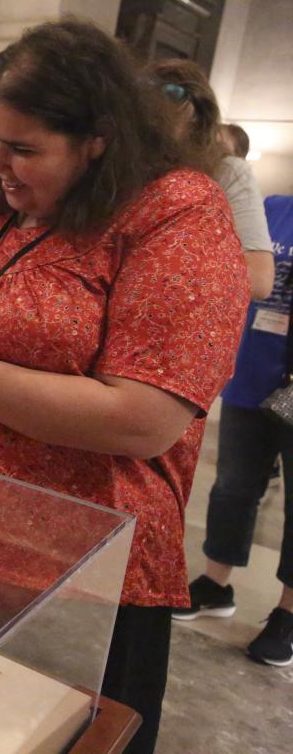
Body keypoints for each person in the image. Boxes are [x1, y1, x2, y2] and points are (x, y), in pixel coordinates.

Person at [0, 20, 249, 754]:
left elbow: (142, 419)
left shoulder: (177, 214)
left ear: (98, 138)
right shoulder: (5, 196)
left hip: (68, 572)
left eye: (23, 147)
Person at [174, 194, 293, 668]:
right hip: (251, 377)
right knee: (232, 489)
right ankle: (216, 583)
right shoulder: (270, 208)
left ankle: (287, 614)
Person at [146, 59, 273, 301]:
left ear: (196, 118)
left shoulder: (226, 172)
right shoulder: (119, 168)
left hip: (180, 320)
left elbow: (259, 279)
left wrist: (152, 270)